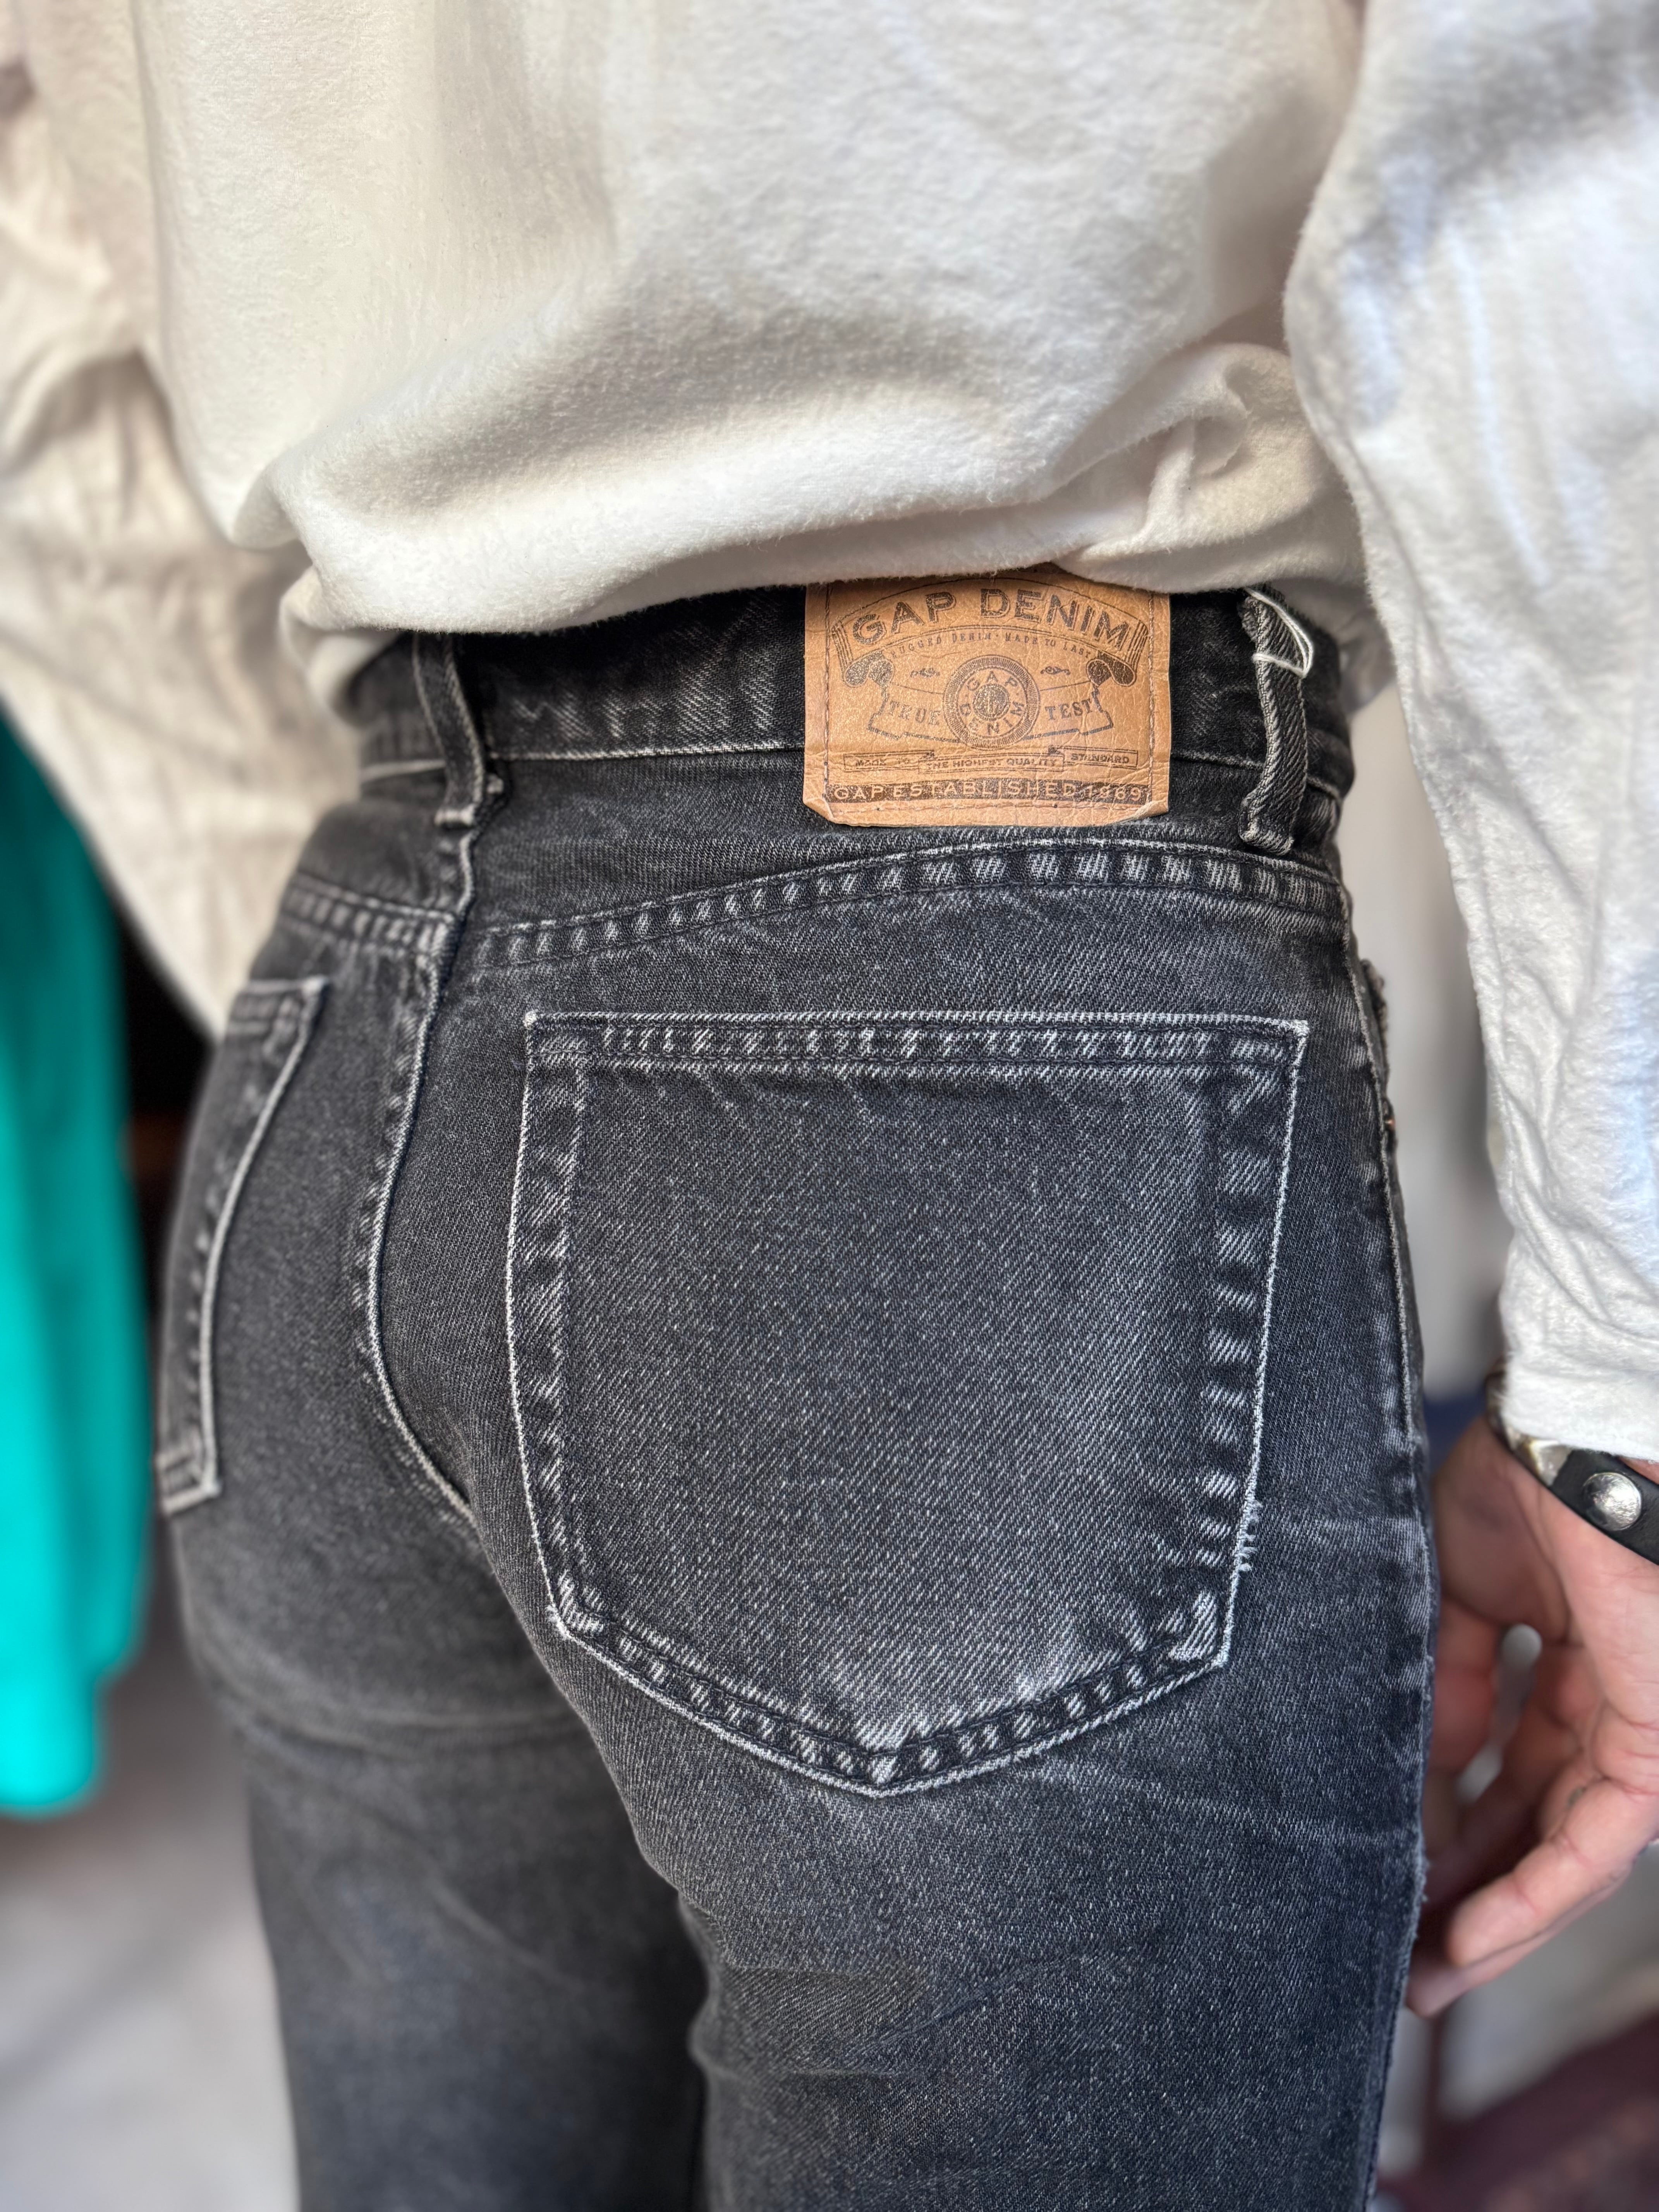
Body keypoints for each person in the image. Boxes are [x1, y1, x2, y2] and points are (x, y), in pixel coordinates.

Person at [0, 3, 1655, 2205]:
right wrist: (1630, 1384)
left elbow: (39, 298)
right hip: (976, 1017)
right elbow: (1546, 205)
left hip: (352, 987)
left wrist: (367, 976)